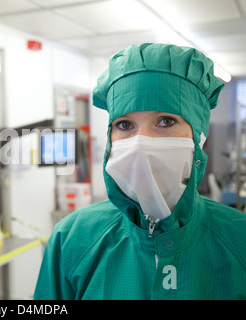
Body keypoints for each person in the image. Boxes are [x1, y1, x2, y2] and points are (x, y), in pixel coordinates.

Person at [34, 43, 246, 300]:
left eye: (166, 121)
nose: (139, 143)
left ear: (199, 137)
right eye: (125, 124)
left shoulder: (238, 241)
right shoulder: (73, 239)